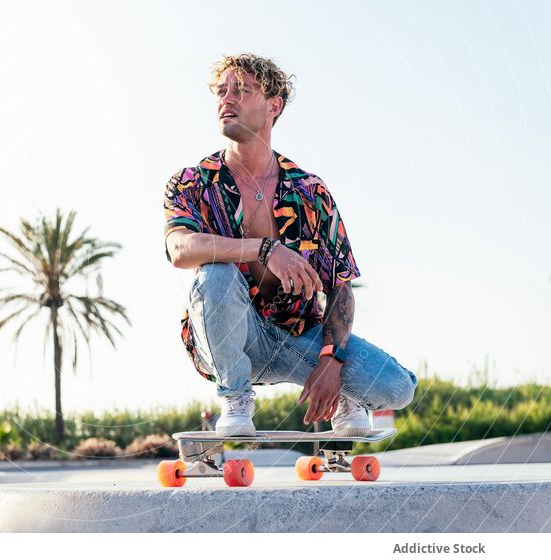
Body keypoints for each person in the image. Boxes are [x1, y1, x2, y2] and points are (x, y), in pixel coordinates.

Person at [163, 53, 418, 438]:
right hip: (228, 337)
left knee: (398, 388)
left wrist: (332, 363)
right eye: (221, 91)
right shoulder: (192, 182)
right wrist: (264, 248)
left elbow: (340, 285)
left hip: (296, 336)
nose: (226, 100)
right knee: (215, 272)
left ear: (273, 106)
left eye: (241, 90)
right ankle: (234, 398)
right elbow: (180, 249)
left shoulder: (309, 191)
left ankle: (347, 397)